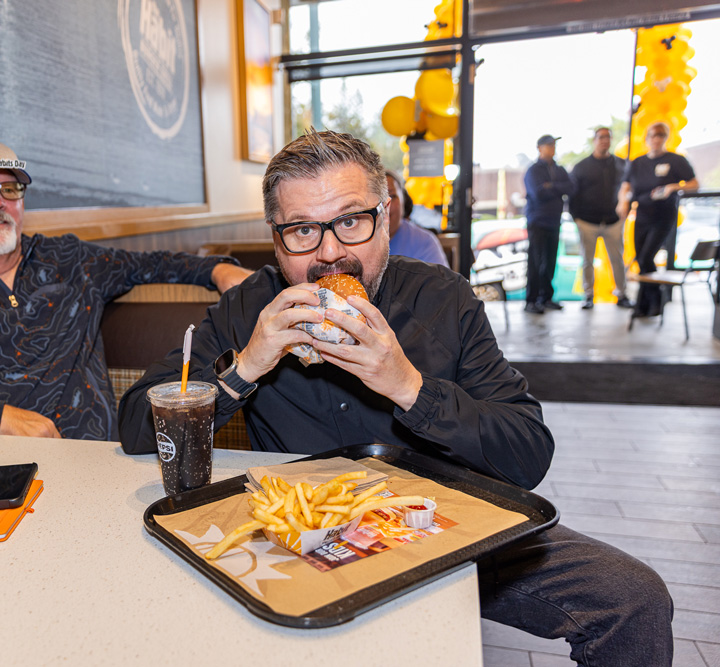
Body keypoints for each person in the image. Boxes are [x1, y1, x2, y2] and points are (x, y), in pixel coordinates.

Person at [119, 129, 674, 665]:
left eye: (351, 221)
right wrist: (244, 369)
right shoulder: (248, 310)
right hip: (304, 542)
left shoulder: (444, 299)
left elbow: (528, 450)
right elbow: (137, 426)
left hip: (446, 529)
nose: (329, 253)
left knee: (632, 597)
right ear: (276, 237)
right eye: (302, 230)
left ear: (385, 219)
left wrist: (410, 387)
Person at [0, 135, 252, 440]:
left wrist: (217, 269)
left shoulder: (70, 261)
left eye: (9, 189)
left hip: (98, 469)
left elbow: (152, 263)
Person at [617, 122, 698, 318]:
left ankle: (652, 301)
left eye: (660, 135)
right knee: (641, 259)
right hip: (642, 215)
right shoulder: (637, 162)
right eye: (653, 135)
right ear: (647, 138)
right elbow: (625, 186)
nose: (656, 139)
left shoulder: (675, 160)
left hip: (663, 216)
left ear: (665, 138)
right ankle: (647, 304)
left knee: (646, 257)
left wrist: (672, 187)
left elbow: (694, 184)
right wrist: (622, 202)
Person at [569, 127, 632, 309]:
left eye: (608, 137)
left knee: (617, 260)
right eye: (601, 137)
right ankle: (588, 295)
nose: (605, 140)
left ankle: (622, 294)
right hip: (587, 222)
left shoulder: (621, 164)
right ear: (594, 140)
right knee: (587, 260)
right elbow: (572, 195)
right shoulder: (581, 167)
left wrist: (625, 210)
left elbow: (629, 188)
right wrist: (577, 218)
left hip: (614, 221)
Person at [523, 134, 573, 314]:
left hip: (554, 221)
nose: (552, 148)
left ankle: (546, 297)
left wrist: (550, 186)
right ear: (539, 148)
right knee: (536, 262)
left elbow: (570, 188)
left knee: (550, 261)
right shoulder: (533, 171)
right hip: (537, 222)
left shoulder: (559, 169)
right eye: (548, 145)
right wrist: (556, 188)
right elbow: (537, 193)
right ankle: (531, 300)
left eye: (553, 145)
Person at [382, 170, 449, 267]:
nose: (385, 204)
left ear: (404, 200)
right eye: (378, 197)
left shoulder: (425, 242)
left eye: (392, 196)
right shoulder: (359, 242)